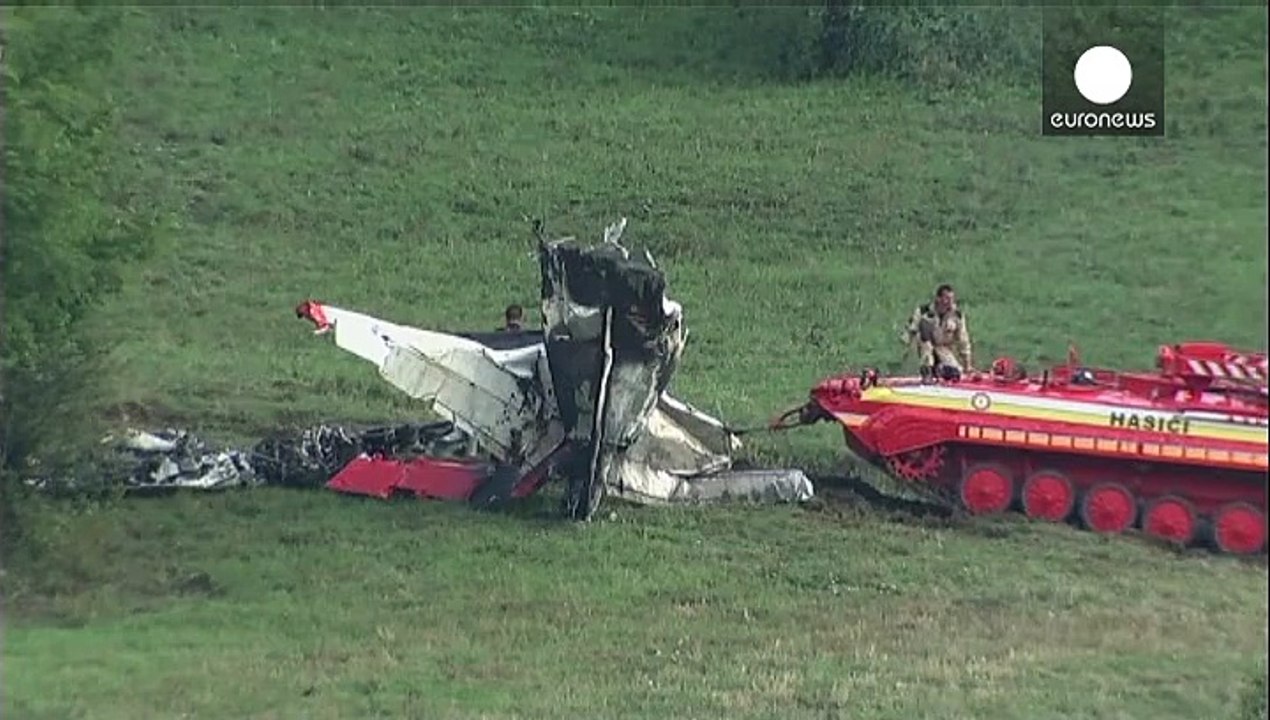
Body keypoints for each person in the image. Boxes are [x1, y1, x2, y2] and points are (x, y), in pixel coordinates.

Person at [902, 283, 973, 380]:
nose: (949, 302)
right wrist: (905, 349)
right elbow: (911, 330)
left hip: (943, 348)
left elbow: (963, 340)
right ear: (938, 298)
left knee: (955, 372)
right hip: (926, 345)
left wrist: (967, 364)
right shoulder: (923, 312)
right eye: (946, 298)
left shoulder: (957, 316)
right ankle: (927, 370)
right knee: (925, 341)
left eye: (951, 299)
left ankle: (940, 370)